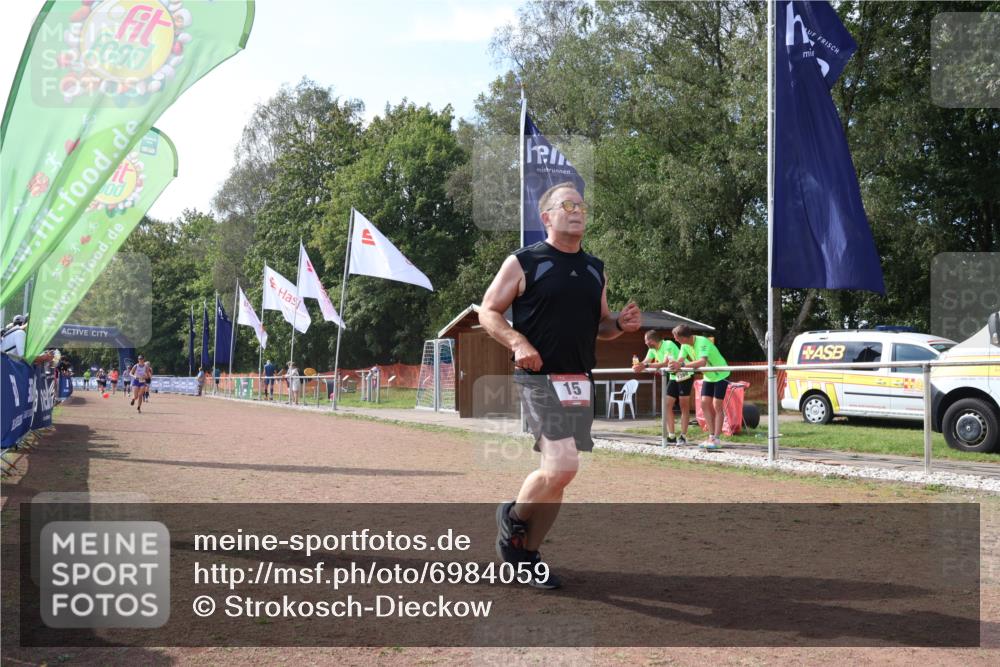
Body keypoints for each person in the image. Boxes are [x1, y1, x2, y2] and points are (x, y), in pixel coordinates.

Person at [480, 181, 642, 589]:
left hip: (579, 380)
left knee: (560, 475)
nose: (577, 211)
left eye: (582, 205)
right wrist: (518, 342)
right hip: (538, 379)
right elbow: (488, 312)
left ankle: (526, 553)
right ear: (547, 217)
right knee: (563, 465)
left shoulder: (594, 268)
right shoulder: (524, 262)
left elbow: (601, 325)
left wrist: (619, 324)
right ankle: (512, 517)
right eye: (567, 204)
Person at [671, 324, 730, 449]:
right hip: (708, 376)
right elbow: (680, 360)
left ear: (683, 337)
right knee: (704, 404)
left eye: (676, 337)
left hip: (721, 373)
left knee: (716, 405)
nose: (675, 339)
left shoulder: (702, 341)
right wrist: (675, 364)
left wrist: (680, 366)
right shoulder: (684, 345)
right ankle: (711, 436)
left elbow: (702, 362)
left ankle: (717, 439)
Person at [633, 329, 695, 445]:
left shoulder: (668, 344)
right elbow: (646, 361)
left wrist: (645, 365)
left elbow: (665, 363)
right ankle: (671, 436)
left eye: (646, 341)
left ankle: (683, 436)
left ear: (652, 340)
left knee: (684, 406)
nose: (645, 343)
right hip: (673, 376)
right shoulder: (652, 348)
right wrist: (638, 365)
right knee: (666, 405)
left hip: (685, 374)